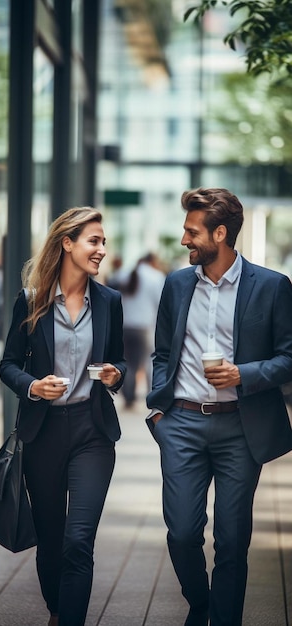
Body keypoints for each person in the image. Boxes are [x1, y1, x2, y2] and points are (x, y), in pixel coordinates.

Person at [146, 187, 292, 626]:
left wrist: (244, 374)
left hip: (241, 431)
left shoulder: (271, 286)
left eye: (192, 232)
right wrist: (159, 411)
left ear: (221, 233)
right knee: (183, 533)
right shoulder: (176, 284)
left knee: (232, 542)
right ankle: (201, 605)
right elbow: (161, 354)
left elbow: (289, 356)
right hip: (183, 424)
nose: (185, 239)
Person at [0, 207, 126, 626]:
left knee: (78, 541)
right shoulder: (32, 300)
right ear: (67, 243)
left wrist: (115, 374)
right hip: (44, 434)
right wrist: (33, 387)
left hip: (93, 431)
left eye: (104, 242)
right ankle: (57, 610)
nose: (102, 250)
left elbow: (120, 362)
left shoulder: (109, 301)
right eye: (94, 241)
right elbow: (9, 364)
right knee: (52, 541)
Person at [108, 253, 164, 408]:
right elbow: (160, 304)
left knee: (128, 363)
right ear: (152, 262)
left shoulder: (123, 274)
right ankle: (153, 395)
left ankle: (129, 398)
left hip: (124, 326)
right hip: (144, 327)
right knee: (149, 361)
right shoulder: (156, 277)